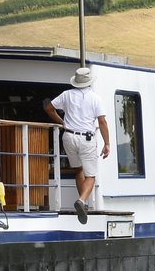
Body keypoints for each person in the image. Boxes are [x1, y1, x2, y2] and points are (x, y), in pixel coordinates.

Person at [43, 67, 110, 223]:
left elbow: (48, 107)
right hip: (86, 138)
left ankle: (84, 204)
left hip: (68, 136)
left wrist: (62, 121)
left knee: (78, 170)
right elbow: (102, 121)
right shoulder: (95, 98)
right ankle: (81, 201)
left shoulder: (66, 95)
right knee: (91, 175)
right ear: (89, 82)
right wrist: (107, 143)